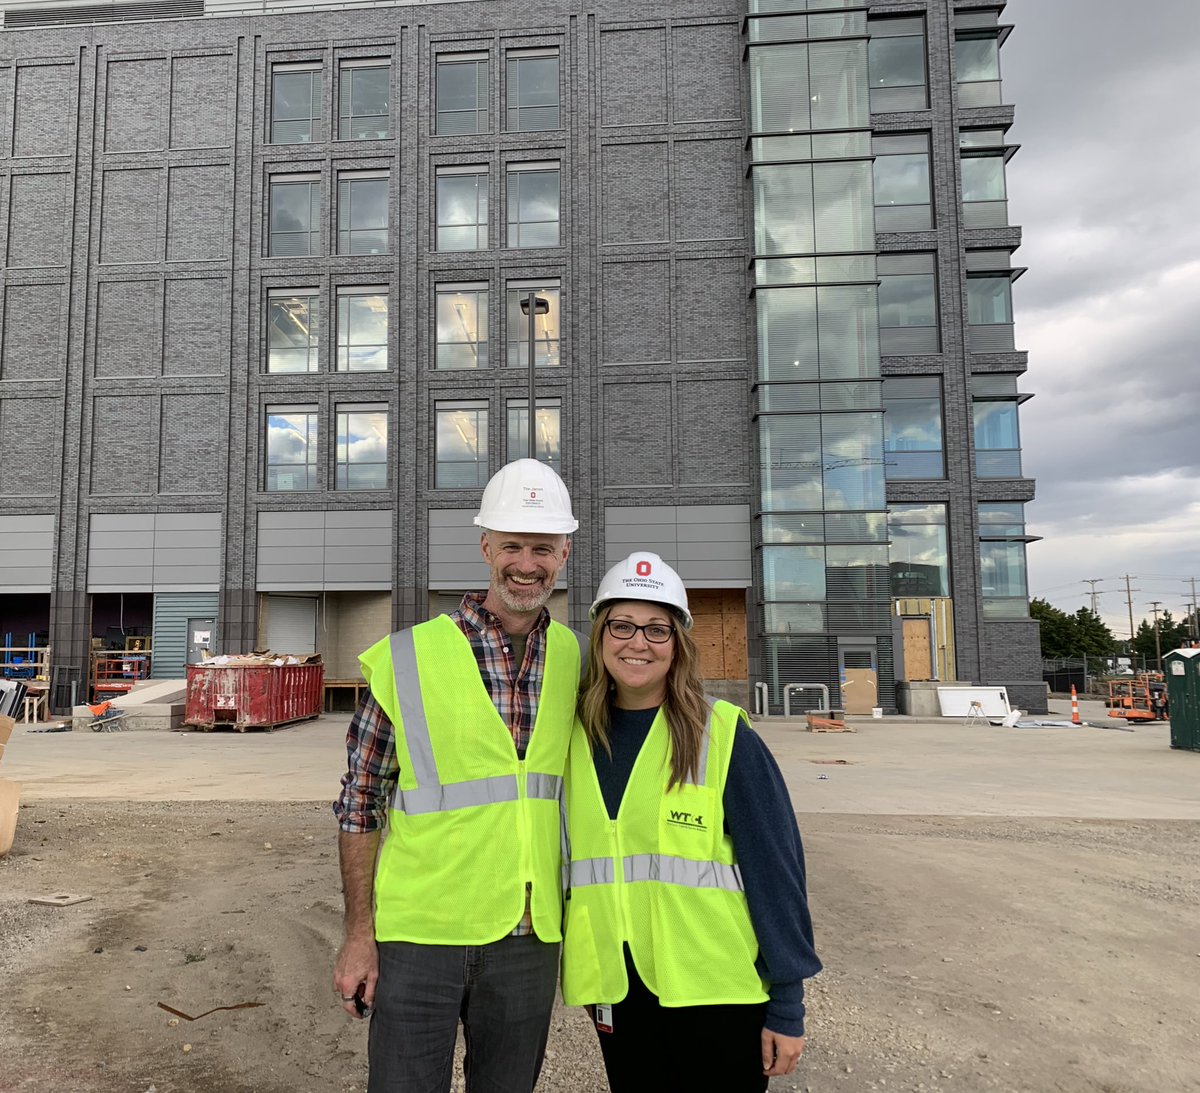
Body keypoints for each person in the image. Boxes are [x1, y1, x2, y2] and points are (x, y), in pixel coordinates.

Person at [333, 458, 582, 1093]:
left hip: (528, 937)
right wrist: (359, 935)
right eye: (513, 546)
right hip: (420, 935)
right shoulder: (407, 657)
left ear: (565, 553)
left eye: (543, 548)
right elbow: (359, 803)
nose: (527, 564)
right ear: (485, 547)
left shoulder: (580, 660)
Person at [560, 552, 822, 1092]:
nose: (638, 642)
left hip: (718, 990)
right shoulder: (571, 740)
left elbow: (777, 873)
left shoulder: (723, 736)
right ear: (599, 634)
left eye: (657, 629)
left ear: (679, 642)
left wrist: (787, 1004)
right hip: (617, 989)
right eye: (623, 625)